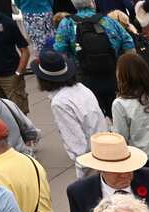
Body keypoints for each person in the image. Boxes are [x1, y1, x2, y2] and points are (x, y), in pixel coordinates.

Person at [33, 50, 110, 180]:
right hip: (105, 149)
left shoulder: (60, 103)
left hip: (92, 163)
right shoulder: (81, 88)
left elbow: (77, 144)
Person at [53, 0, 134, 118]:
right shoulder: (108, 21)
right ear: (93, 3)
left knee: (94, 117)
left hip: (84, 77)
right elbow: (129, 43)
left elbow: (60, 51)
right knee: (117, 114)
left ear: (73, 4)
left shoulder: (67, 24)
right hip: (112, 74)